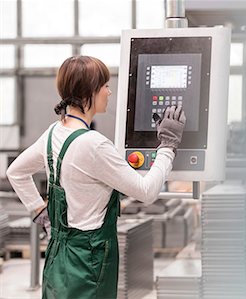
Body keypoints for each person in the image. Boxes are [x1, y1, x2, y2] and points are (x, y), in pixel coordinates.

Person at [6, 55, 186, 299]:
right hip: (90, 260)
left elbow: (15, 172)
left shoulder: (53, 133)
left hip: (59, 255)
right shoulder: (94, 144)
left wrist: (40, 210)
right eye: (105, 86)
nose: (109, 92)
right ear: (89, 91)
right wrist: (167, 146)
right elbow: (147, 191)